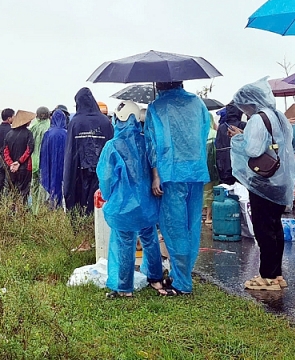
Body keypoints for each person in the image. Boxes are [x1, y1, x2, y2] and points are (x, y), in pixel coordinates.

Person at [228, 78, 295, 290]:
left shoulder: (257, 119)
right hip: (279, 179)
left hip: (263, 181)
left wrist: (239, 139)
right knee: (275, 226)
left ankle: (266, 276)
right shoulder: (278, 116)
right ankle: (277, 275)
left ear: (250, 102)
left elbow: (254, 150)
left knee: (263, 228)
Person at [145, 81, 211, 296]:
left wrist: (155, 176)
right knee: (192, 226)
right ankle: (181, 273)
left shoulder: (157, 107)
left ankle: (182, 281)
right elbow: (203, 134)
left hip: (171, 174)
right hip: (196, 171)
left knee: (175, 228)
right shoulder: (198, 103)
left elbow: (152, 145)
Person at [97, 101, 164, 298]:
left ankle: (124, 287)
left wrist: (108, 195)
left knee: (125, 242)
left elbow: (106, 177)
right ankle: (156, 278)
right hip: (147, 204)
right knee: (150, 237)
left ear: (118, 119)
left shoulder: (112, 147)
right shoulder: (146, 142)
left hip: (122, 204)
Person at [63, 88, 114, 215]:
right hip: (101, 169)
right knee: (98, 200)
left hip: (78, 170)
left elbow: (70, 150)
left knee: (79, 201)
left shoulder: (75, 122)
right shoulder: (105, 122)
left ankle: (80, 226)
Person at [2, 110, 36, 205]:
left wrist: (11, 164)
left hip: (12, 169)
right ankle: (22, 213)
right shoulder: (28, 133)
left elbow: (5, 151)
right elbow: (29, 149)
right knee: (24, 192)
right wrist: (19, 162)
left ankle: (12, 212)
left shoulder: (9, 134)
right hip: (25, 168)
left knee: (12, 191)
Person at [40, 105, 69, 209]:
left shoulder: (48, 133)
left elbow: (43, 152)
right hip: (64, 164)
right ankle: (63, 207)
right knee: (63, 185)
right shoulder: (67, 133)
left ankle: (54, 205)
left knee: (52, 184)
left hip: (51, 164)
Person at [215, 103, 247, 186]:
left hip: (224, 163)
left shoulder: (222, 127)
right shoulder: (243, 125)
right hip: (240, 163)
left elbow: (217, 145)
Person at [29, 106, 52, 212]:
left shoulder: (33, 126)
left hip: (33, 161)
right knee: (44, 187)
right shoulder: (49, 126)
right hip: (45, 162)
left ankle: (34, 209)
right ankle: (41, 209)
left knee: (34, 186)